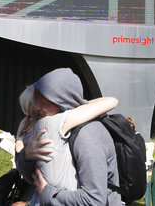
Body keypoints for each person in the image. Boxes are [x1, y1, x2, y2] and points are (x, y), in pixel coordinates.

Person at [16, 68, 122, 206]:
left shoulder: (88, 135)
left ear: (63, 101)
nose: (37, 107)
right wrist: (27, 157)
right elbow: (32, 178)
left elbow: (94, 200)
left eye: (45, 100)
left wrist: (47, 193)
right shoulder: (48, 127)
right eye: (37, 99)